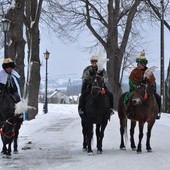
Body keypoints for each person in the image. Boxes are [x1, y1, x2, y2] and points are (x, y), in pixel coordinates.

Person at [124, 51, 161, 119]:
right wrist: (136, 87)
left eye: (139, 64)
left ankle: (157, 112)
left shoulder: (148, 72)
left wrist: (152, 90)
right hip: (136, 90)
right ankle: (129, 112)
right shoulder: (134, 71)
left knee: (158, 97)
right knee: (130, 97)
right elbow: (130, 82)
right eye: (137, 63)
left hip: (147, 91)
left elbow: (153, 83)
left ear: (143, 64)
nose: (138, 65)